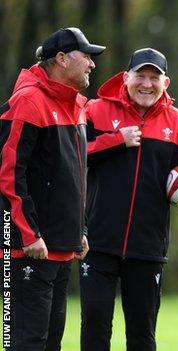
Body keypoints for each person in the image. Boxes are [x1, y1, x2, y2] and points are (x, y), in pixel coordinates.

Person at [79, 48, 178, 351]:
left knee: (142, 334)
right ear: (126, 77)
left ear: (166, 83)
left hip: (147, 247)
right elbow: (70, 155)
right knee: (94, 326)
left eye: (154, 77)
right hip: (96, 242)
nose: (146, 84)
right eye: (140, 76)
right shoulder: (95, 110)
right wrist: (116, 141)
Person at [0, 27, 104, 350]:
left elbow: (72, 177)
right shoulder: (28, 101)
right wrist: (28, 233)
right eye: (86, 56)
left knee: (50, 343)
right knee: (26, 342)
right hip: (27, 248)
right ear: (61, 58)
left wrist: (80, 229)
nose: (92, 64)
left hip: (60, 247)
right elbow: (7, 174)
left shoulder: (76, 106)